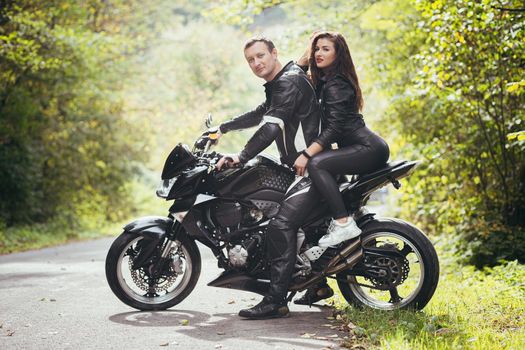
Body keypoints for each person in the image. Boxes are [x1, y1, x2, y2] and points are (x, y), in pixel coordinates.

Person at [215, 36, 322, 319]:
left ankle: (276, 300)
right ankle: (318, 284)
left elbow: (271, 128)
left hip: (312, 169)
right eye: (250, 60)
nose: (256, 63)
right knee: (271, 203)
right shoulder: (283, 81)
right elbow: (263, 114)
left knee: (280, 226)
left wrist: (241, 156)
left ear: (275, 53)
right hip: (301, 167)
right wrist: (223, 128)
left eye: (261, 55)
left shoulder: (288, 82)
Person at [292, 31, 390, 305]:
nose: (319, 53)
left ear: (338, 54)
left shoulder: (337, 84)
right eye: (316, 49)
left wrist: (305, 154)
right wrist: (307, 54)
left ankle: (344, 223)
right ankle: (318, 280)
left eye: (325, 49)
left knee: (318, 163)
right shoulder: (327, 80)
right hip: (358, 149)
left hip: (368, 149)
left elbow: (335, 129)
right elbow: (296, 75)